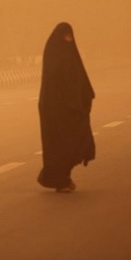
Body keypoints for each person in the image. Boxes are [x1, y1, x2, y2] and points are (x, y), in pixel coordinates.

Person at [37, 22, 95, 192]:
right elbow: (54, 81)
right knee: (58, 145)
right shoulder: (53, 53)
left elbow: (80, 79)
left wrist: (81, 98)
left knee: (73, 141)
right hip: (53, 109)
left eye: (70, 36)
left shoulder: (70, 54)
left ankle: (62, 177)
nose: (68, 40)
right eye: (65, 36)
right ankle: (59, 179)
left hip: (71, 108)